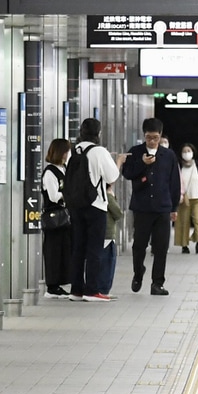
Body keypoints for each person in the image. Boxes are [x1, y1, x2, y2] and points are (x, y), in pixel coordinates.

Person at [121, 117, 181, 295]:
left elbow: (174, 182)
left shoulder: (169, 155)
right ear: (144, 136)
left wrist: (174, 208)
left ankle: (157, 283)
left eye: (155, 137)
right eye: (149, 137)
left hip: (163, 207)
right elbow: (127, 173)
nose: (152, 141)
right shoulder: (135, 152)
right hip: (142, 207)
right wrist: (142, 163)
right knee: (139, 245)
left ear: (160, 135)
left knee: (161, 247)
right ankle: (138, 272)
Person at [67, 117, 121, 302]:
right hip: (95, 204)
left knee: (78, 247)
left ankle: (76, 290)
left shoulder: (74, 150)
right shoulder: (99, 151)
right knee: (95, 248)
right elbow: (112, 175)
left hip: (75, 204)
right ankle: (92, 290)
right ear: (98, 133)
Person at [40, 138, 73, 298]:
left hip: (65, 218)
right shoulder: (49, 172)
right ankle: (52, 286)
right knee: (53, 250)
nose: (67, 155)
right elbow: (53, 196)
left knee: (64, 250)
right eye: (66, 151)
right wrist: (70, 195)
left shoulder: (65, 169)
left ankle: (60, 282)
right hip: (54, 217)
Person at [96, 154, 126, 295]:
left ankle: (101, 289)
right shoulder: (107, 195)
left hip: (101, 233)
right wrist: (113, 196)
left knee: (102, 262)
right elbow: (118, 213)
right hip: (108, 234)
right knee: (108, 263)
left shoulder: (97, 193)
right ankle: (103, 290)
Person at [175, 142, 198, 254]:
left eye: (188, 151)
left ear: (193, 152)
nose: (187, 153)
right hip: (184, 198)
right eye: (184, 151)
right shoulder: (178, 166)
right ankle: (184, 245)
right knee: (183, 221)